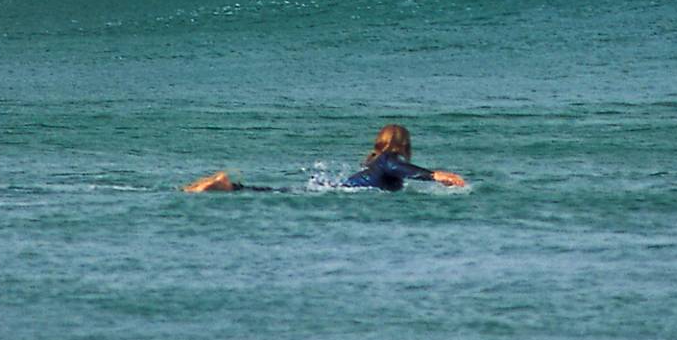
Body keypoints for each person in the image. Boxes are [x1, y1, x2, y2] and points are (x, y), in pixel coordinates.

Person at [182, 123, 466, 192]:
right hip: (344, 192)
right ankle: (227, 186)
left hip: (342, 189)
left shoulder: (376, 159)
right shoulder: (389, 159)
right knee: (282, 193)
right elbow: (397, 166)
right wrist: (433, 175)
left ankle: (229, 186)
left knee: (280, 192)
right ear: (403, 145)